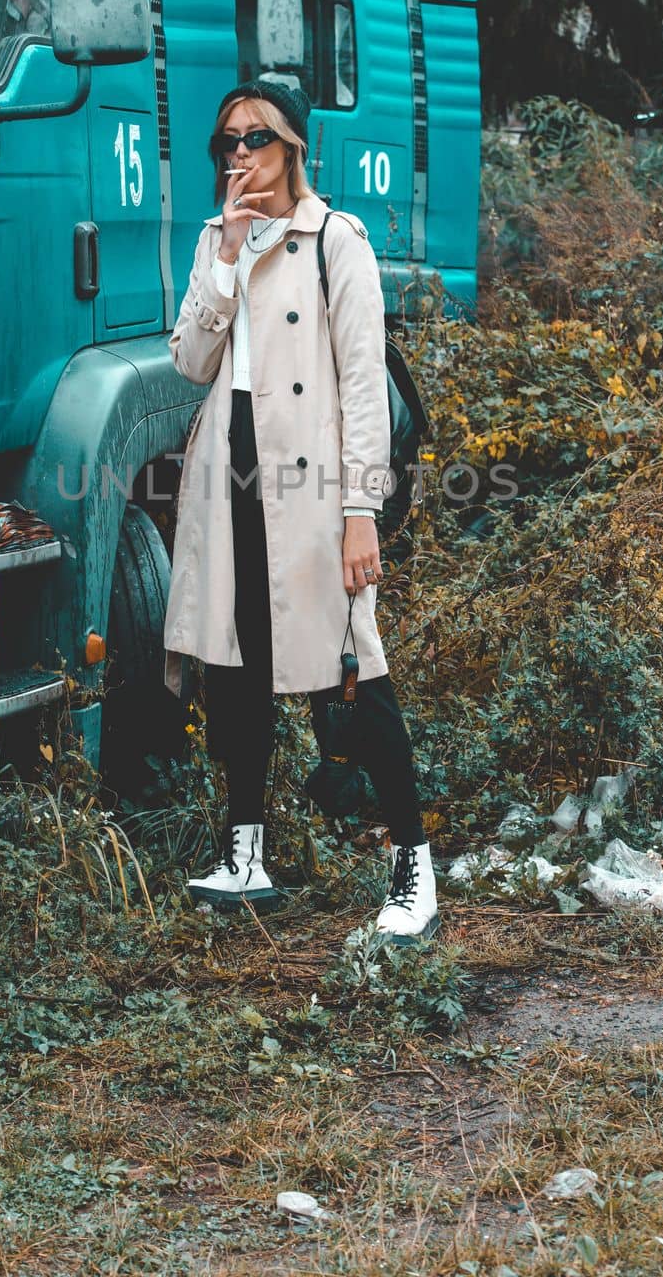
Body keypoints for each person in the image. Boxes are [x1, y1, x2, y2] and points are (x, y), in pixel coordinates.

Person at [162, 78, 438, 943]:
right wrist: (229, 258)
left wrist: (362, 509)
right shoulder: (219, 239)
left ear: (294, 148)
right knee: (237, 668)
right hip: (230, 481)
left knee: (356, 673)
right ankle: (248, 855)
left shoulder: (337, 240)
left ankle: (413, 871)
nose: (238, 155)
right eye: (227, 143)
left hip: (314, 491)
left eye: (256, 139)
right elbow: (189, 361)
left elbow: (363, 386)